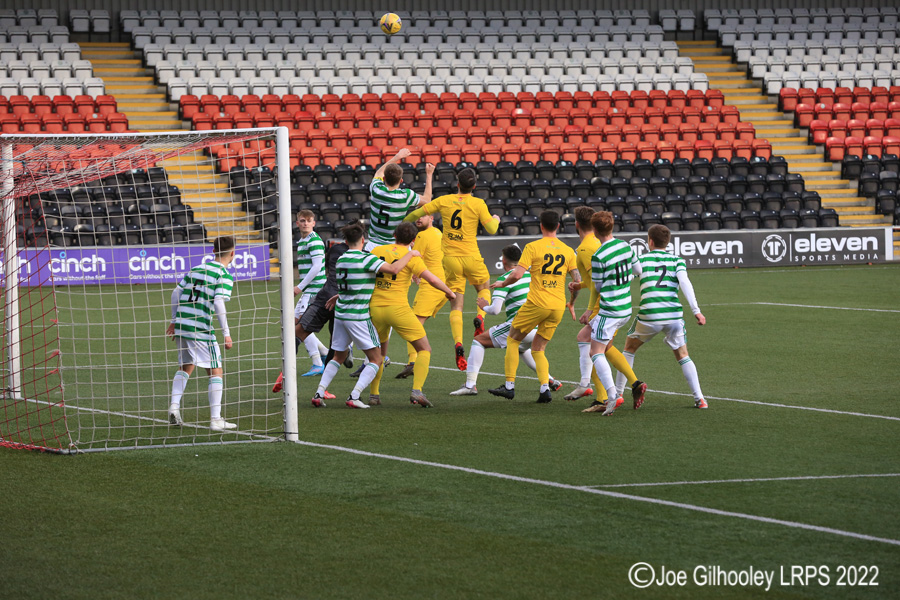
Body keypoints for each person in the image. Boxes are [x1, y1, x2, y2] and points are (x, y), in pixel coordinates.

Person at [311, 222, 420, 409]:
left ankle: (319, 393)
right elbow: (394, 269)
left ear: (345, 241)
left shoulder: (342, 258)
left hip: (341, 313)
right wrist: (410, 253)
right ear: (363, 240)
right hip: (358, 316)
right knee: (377, 359)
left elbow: (353, 283)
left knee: (338, 356)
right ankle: (354, 395)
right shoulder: (366, 259)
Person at [403, 168, 500, 371]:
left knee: (456, 304)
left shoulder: (444, 200)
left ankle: (458, 342)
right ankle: (480, 318)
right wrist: (496, 219)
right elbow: (491, 229)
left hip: (451, 260)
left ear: (457, 184)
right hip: (472, 257)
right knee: (484, 287)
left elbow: (416, 213)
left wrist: (403, 224)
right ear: (474, 186)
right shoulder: (478, 203)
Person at [488, 211, 579, 403]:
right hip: (557, 306)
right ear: (558, 227)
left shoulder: (532, 247)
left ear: (541, 226)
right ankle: (545, 389)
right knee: (538, 349)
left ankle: (509, 386)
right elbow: (577, 280)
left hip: (537, 303)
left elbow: (517, 275)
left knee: (513, 340)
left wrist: (502, 284)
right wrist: (572, 302)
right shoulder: (568, 250)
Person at [450, 244, 564, 396]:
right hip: (541, 324)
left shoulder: (505, 279)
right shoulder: (532, 275)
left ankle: (470, 384)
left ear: (503, 260)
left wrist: (484, 307)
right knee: (523, 349)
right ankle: (549, 380)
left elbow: (495, 310)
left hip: (521, 324)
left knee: (479, 340)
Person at [614, 225, 708, 409]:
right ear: (668, 241)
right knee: (683, 355)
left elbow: (625, 280)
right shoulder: (677, 260)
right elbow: (685, 283)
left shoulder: (641, 260)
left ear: (650, 241)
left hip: (650, 314)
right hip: (673, 315)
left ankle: (617, 394)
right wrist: (696, 310)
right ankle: (700, 399)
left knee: (629, 349)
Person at [564, 206, 645, 408]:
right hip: (626, 305)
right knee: (589, 340)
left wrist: (590, 309)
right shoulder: (625, 246)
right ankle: (630, 384)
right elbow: (638, 270)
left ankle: (609, 395)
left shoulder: (596, 254)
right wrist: (623, 279)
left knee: (597, 351)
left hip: (608, 309)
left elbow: (597, 287)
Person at [368, 222, 456, 407]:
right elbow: (431, 278)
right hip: (398, 309)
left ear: (394, 235)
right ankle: (417, 391)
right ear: (414, 240)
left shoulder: (376, 250)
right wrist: (449, 292)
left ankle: (374, 395)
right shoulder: (412, 257)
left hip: (375, 308)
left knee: (378, 355)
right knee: (424, 349)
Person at [166, 236, 237, 431]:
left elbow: (175, 293)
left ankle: (174, 406)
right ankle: (215, 419)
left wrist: (174, 321)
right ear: (232, 253)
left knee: (186, 366)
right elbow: (218, 302)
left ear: (213, 251)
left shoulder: (196, 269)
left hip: (182, 325)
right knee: (216, 369)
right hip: (201, 329)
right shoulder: (223, 275)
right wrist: (227, 333)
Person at [271, 233, 353, 397]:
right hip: (343, 300)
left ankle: (284, 374)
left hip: (322, 295)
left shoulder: (334, 249)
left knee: (297, 332)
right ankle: (323, 389)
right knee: (338, 348)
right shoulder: (362, 255)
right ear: (363, 240)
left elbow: (324, 267)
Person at [396, 213, 446, 380]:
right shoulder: (438, 233)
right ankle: (413, 361)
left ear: (431, 217)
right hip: (441, 282)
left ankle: (413, 362)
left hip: (431, 285)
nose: (418, 219)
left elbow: (416, 256)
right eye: (417, 216)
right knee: (417, 323)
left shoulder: (422, 235)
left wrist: (415, 274)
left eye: (422, 216)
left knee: (414, 325)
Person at [367, 147, 433, 249]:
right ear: (401, 180)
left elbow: (378, 173)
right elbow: (427, 200)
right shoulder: (406, 196)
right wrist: (429, 174)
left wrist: (397, 157)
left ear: (384, 178)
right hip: (396, 246)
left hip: (373, 246)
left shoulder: (376, 189)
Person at [292, 210, 329, 377]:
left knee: (298, 325)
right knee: (298, 325)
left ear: (314, 223)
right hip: (310, 289)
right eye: (302, 220)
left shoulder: (314, 241)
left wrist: (299, 287)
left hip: (314, 289)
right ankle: (323, 352)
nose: (305, 223)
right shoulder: (302, 241)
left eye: (309, 220)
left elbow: (316, 267)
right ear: (297, 223)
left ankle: (317, 362)